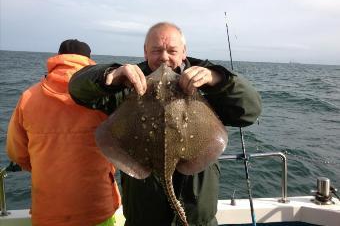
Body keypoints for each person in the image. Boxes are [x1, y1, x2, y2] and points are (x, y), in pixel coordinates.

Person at [69, 22, 262, 226]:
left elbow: (249, 111)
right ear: (145, 52)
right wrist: (108, 75)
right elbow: (77, 89)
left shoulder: (207, 84)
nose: (164, 57)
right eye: (156, 50)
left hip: (199, 218)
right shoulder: (128, 83)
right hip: (144, 218)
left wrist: (219, 79)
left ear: (184, 52)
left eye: (172, 50)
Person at [6, 39, 121, 226]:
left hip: (48, 212)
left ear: (57, 59)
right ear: (90, 63)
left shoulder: (28, 97)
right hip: (97, 207)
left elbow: (16, 152)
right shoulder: (103, 99)